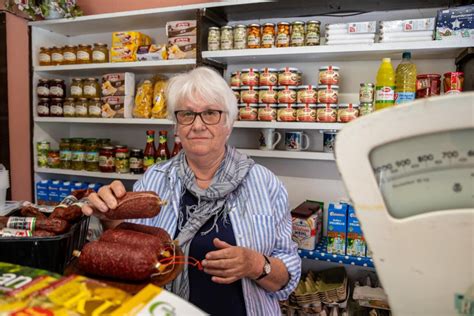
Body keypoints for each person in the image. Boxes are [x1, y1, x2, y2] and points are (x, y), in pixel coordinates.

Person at [82, 66, 301, 315]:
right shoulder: (155, 179)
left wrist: (255, 265)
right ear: (176, 126)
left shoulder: (264, 183)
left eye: (210, 113)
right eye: (187, 114)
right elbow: (128, 258)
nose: (197, 125)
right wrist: (111, 217)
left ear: (229, 123)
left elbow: (287, 281)